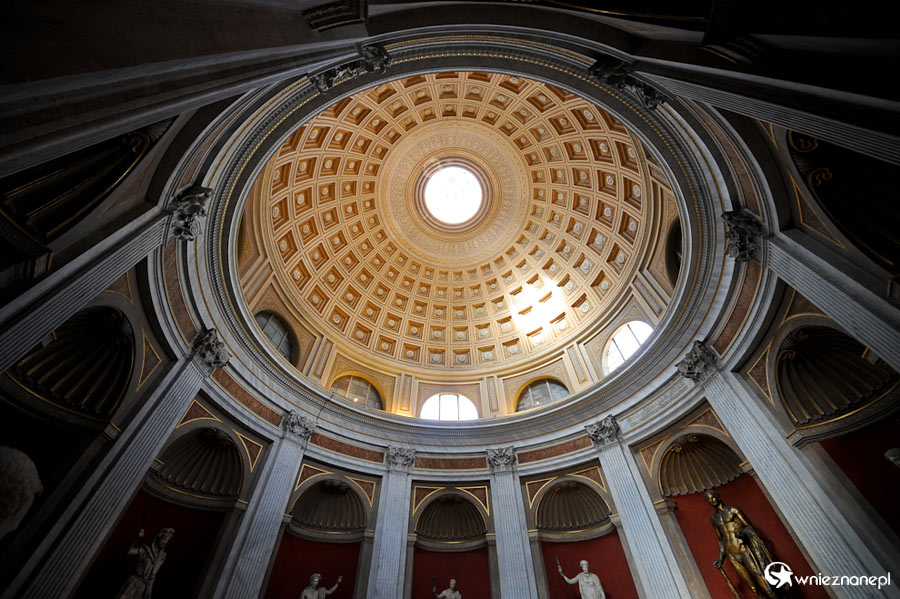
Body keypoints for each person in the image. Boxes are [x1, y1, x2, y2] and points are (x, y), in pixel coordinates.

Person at [705, 490, 777, 599]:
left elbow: (749, 526)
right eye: (709, 500)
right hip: (731, 554)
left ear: (718, 496)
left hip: (743, 547)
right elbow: (720, 539)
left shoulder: (733, 510)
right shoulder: (713, 519)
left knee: (762, 580)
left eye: (713, 497)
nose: (712, 501)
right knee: (752, 587)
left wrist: (743, 534)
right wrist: (721, 558)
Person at [115, 527, 175, 599]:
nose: (165, 541)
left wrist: (149, 591)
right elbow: (129, 551)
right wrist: (137, 538)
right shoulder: (145, 550)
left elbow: (153, 576)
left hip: (144, 589)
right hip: (134, 583)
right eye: (164, 537)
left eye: (167, 539)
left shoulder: (162, 557)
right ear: (158, 537)